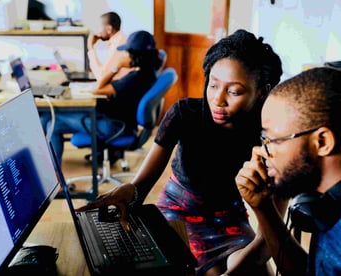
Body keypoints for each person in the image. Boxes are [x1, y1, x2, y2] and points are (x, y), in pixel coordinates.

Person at [76, 29, 283, 275]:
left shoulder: (271, 139)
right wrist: (129, 192)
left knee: (257, 271)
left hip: (229, 222)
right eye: (213, 85)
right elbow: (141, 186)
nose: (218, 99)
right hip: (177, 213)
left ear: (262, 91)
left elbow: (269, 239)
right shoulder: (185, 115)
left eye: (234, 91)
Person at [235, 67, 341, 275]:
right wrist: (263, 207)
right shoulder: (328, 203)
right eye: (263, 139)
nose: (261, 152)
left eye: (272, 139)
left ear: (322, 142)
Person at [43, 30, 162, 168]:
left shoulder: (135, 78)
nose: (124, 55)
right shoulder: (148, 73)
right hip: (117, 121)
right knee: (47, 119)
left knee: (51, 122)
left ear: (134, 55)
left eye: (126, 52)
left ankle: (54, 175)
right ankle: (50, 171)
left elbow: (97, 89)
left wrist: (115, 67)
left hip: (113, 126)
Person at [87, 11, 128, 82]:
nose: (98, 33)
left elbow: (101, 77)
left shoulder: (117, 45)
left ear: (109, 29)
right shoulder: (120, 39)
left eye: (100, 27)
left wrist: (90, 48)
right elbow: (104, 71)